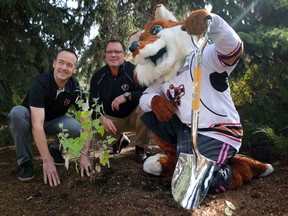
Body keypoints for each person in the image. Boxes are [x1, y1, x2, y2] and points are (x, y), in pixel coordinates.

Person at [8, 48, 91, 186]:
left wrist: (85, 153)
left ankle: (55, 148)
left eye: (69, 65)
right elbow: (37, 125)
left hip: (53, 122)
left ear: (74, 69)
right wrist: (47, 161)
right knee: (16, 113)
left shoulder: (76, 89)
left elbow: (86, 120)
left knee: (76, 127)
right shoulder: (40, 83)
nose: (64, 68)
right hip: (31, 121)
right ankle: (25, 162)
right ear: (54, 64)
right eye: (61, 62)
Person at [88, 39, 149, 163]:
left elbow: (148, 92)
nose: (113, 55)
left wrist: (127, 96)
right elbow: (92, 104)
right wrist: (102, 118)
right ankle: (118, 140)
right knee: (91, 124)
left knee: (146, 106)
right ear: (105, 55)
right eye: (109, 52)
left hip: (135, 118)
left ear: (124, 55)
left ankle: (140, 148)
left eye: (117, 51)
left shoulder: (134, 71)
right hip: (113, 121)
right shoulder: (98, 77)